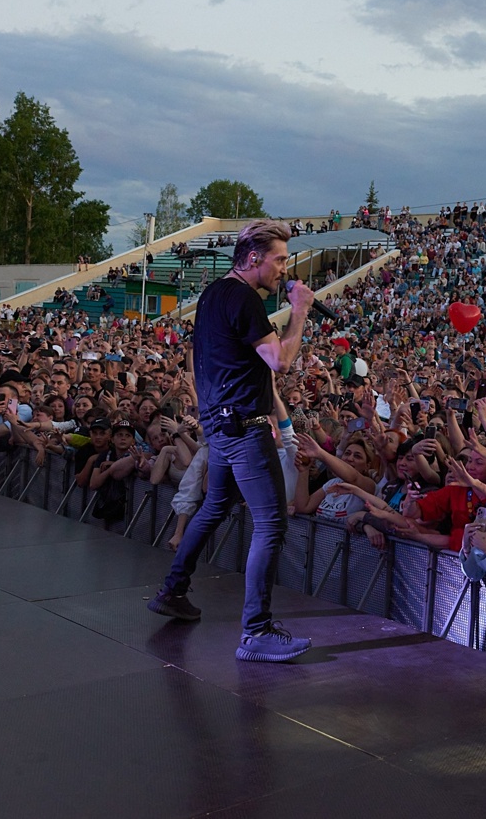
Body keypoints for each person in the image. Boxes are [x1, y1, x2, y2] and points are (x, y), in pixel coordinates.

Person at [149, 219, 316, 663]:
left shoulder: (214, 294)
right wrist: (299, 310)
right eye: (280, 260)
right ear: (254, 258)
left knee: (215, 506)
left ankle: (173, 590)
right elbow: (279, 361)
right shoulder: (244, 298)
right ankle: (256, 631)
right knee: (271, 523)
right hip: (243, 429)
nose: (284, 269)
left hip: (221, 425)